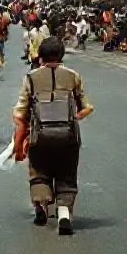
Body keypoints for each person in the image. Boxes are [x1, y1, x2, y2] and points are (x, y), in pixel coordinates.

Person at [12, 37, 93, 235]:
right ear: (61, 55)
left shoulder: (31, 78)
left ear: (40, 56)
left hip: (40, 138)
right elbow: (86, 107)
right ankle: (64, 214)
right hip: (68, 138)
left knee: (39, 171)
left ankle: (41, 207)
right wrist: (73, 117)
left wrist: (18, 142)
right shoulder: (73, 76)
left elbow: (20, 113)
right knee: (67, 174)